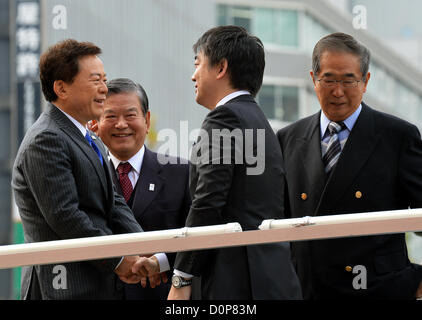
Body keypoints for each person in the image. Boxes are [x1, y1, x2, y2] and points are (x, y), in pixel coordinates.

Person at [277, 32, 422, 299]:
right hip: (306, 290)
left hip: (379, 289)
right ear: (313, 79)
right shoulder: (288, 139)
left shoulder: (398, 136)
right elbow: (275, 223)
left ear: (365, 81)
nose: (338, 91)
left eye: (348, 80)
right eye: (329, 79)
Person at [161, 25, 302, 300]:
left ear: (221, 67)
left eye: (198, 64)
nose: (193, 76)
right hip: (271, 275)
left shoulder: (223, 118)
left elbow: (209, 199)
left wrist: (181, 277)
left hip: (235, 280)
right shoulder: (260, 122)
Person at [11, 39, 145, 300]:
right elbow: (66, 216)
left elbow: (114, 203)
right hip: (63, 288)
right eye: (95, 80)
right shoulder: (46, 139)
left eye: (105, 80)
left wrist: (145, 248)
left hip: (95, 284)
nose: (104, 89)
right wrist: (119, 260)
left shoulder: (89, 136)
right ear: (61, 87)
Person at [95, 78, 191, 300]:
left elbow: (195, 236)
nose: (121, 124)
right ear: (97, 123)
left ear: (147, 120)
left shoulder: (181, 172)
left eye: (130, 115)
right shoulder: (87, 177)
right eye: (110, 116)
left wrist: (160, 261)